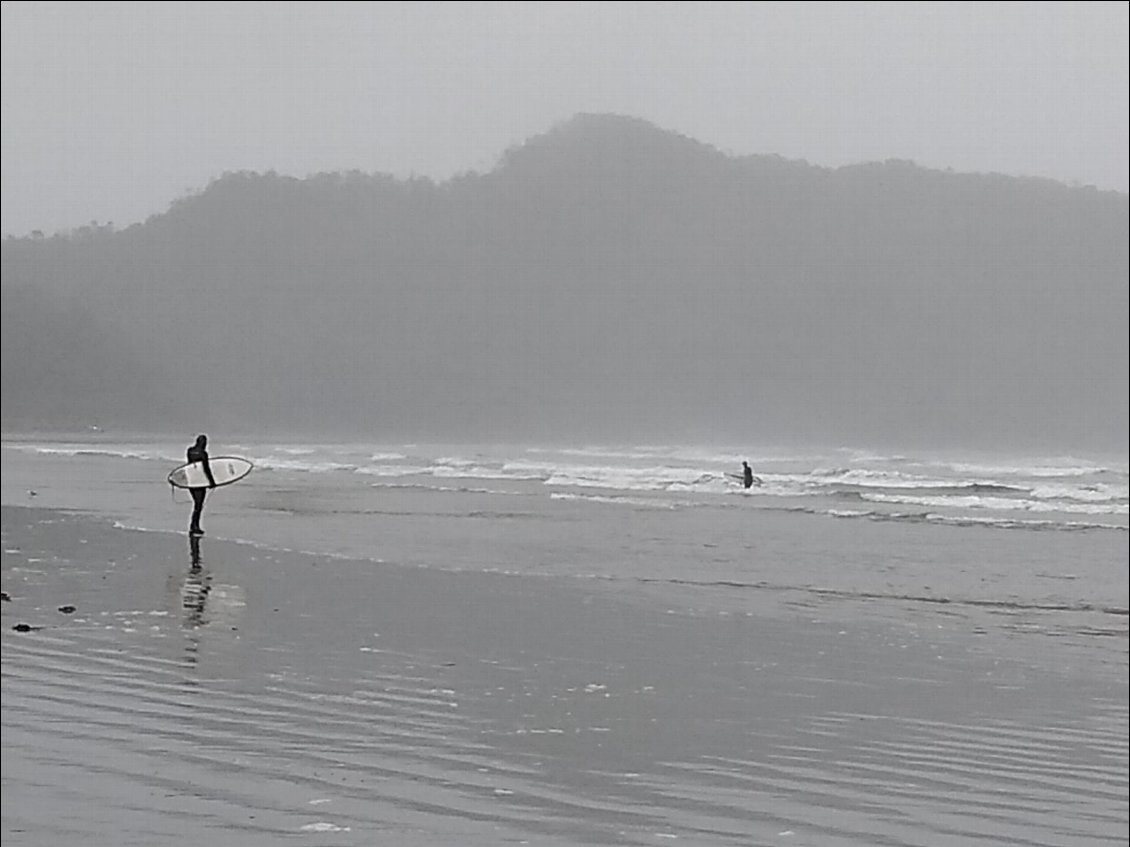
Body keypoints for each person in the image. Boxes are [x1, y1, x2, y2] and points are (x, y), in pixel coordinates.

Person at [186, 434, 216, 536]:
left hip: (191, 481)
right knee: (198, 505)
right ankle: (194, 526)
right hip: (200, 481)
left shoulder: (190, 451)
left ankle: (194, 525)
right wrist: (212, 482)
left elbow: (190, 466)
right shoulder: (203, 454)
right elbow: (206, 469)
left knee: (196, 504)